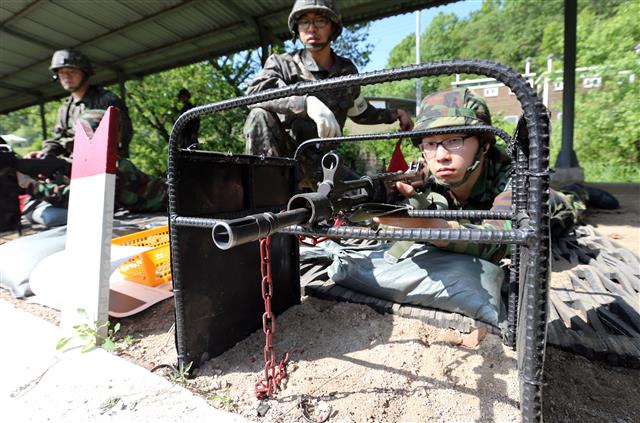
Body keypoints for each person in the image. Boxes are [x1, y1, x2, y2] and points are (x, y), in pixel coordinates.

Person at [376, 87, 618, 264]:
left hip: (545, 203)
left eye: (453, 140)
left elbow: (505, 240)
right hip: (472, 211)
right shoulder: (424, 175)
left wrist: (428, 226)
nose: (440, 155)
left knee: (562, 207)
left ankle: (580, 191)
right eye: (429, 143)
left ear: (484, 144)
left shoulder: (512, 173)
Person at [243, 0, 413, 188]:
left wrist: (395, 114)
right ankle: (265, 198)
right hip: (284, 160)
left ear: (333, 27)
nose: (311, 28)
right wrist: (306, 104)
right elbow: (255, 93)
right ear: (296, 29)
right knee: (258, 115)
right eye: (304, 22)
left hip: (324, 164)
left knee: (369, 199)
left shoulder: (346, 71)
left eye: (320, 21)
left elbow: (359, 111)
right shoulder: (281, 64)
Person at [26, 49, 133, 159]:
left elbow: (121, 137)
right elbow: (58, 138)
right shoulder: (65, 108)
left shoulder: (107, 99)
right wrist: (46, 152)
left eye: (72, 71)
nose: (66, 76)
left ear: (85, 73)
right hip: (74, 165)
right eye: (62, 73)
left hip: (107, 164)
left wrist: (70, 143)